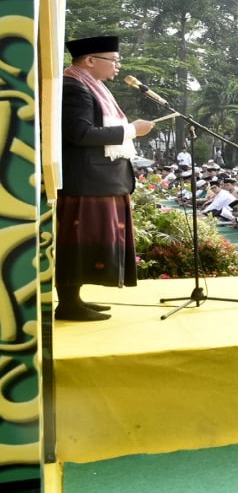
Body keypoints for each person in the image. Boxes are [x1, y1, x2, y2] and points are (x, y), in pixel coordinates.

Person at [56, 36, 154, 321]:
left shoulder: (92, 86)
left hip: (100, 179)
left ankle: (75, 298)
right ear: (89, 60)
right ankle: (69, 304)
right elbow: (80, 134)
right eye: (113, 60)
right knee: (79, 241)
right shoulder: (73, 87)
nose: (118, 66)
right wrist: (132, 130)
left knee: (92, 241)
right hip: (86, 180)